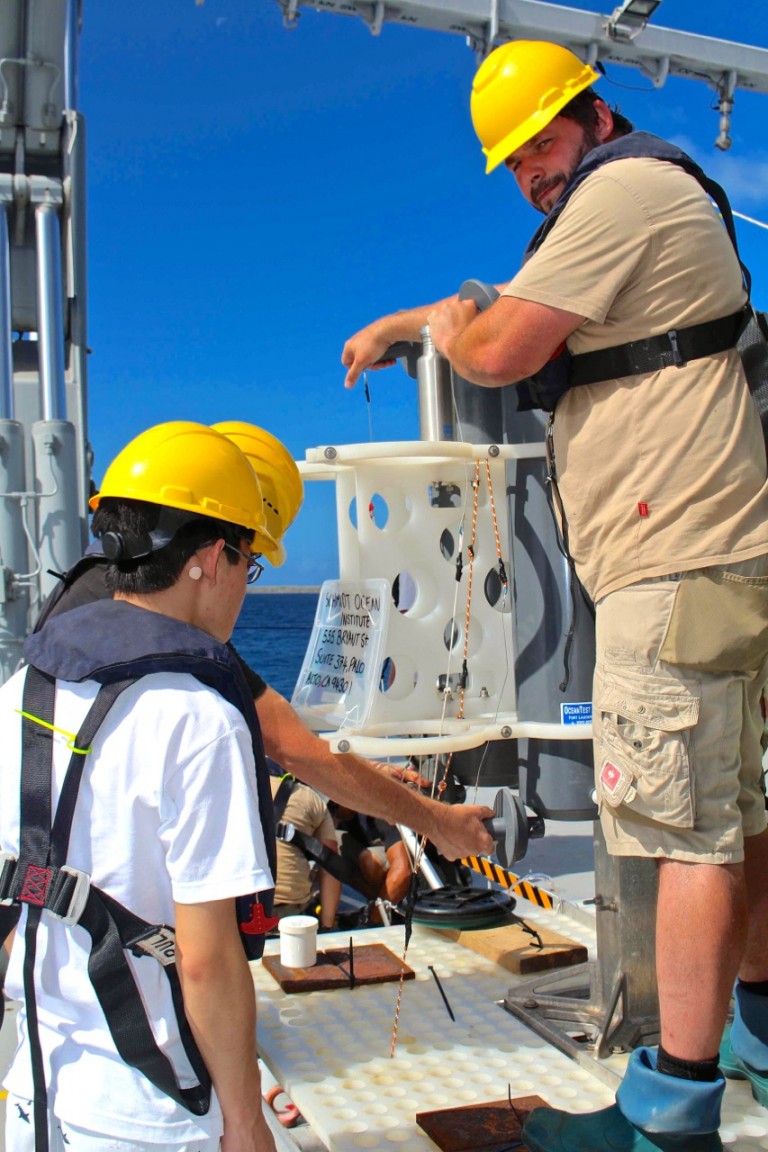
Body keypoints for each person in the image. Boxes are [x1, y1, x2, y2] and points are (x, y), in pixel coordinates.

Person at [342, 39, 768, 1152]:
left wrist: (441, 328)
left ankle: (669, 1117)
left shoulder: (623, 190)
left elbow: (499, 348)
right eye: (515, 159)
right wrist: (417, 321)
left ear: (591, 112)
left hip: (671, 557)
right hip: (713, 552)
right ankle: (759, 1039)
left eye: (539, 140)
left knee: (681, 833)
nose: (531, 168)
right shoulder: (633, 196)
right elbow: (508, 308)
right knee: (737, 815)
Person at [36, 419, 496, 867]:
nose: (245, 582)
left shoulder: (111, 602)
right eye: (250, 558)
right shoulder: (156, 627)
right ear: (219, 547)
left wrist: (367, 774)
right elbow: (290, 745)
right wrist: (436, 820)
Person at [0, 421, 280, 1152]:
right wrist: (245, 1121)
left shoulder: (20, 691)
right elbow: (205, 959)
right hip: (151, 1111)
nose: (244, 590)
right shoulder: (198, 721)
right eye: (248, 564)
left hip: (36, 1087)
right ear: (209, 558)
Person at [269, 767, 342, 929]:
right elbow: (331, 866)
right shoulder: (309, 798)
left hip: (237, 910)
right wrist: (326, 926)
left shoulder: (231, 791)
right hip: (287, 912)